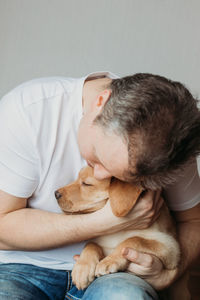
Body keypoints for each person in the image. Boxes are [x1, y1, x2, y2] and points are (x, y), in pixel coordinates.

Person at [0, 71, 199, 300]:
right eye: (98, 157)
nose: (101, 174)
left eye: (123, 175)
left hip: (118, 273)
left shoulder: (168, 141)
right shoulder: (27, 112)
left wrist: (169, 276)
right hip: (20, 267)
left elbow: (193, 221)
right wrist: (104, 222)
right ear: (100, 102)